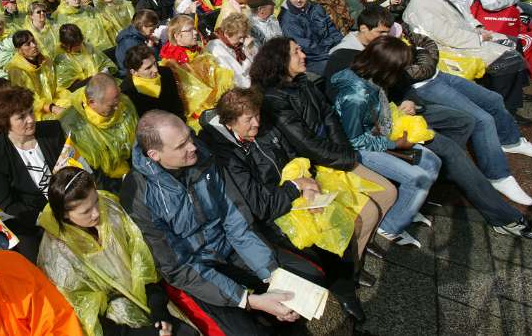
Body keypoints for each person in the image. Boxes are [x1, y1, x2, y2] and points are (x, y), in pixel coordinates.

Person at [331, 36, 532, 245]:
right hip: (379, 138)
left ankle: (450, 178)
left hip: (393, 123)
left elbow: (404, 89)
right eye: (398, 70)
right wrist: (396, 144)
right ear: (386, 68)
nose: (402, 74)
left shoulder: (377, 75)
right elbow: (356, 138)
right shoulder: (356, 93)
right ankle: (504, 217)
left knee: (464, 122)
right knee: (447, 152)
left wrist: (409, 102)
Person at [121, 110, 304, 334]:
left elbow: (234, 218)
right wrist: (249, 300)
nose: (192, 147)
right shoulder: (140, 196)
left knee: (299, 287)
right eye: (181, 146)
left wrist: (271, 274)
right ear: (154, 155)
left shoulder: (203, 156)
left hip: (230, 247)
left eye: (189, 136)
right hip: (197, 270)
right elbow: (177, 267)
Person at [199, 89, 367, 321]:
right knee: (312, 258)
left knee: (338, 223)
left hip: (292, 198)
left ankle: (345, 290)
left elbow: (296, 158)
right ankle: (329, 299)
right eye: (248, 120)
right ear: (229, 123)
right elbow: (259, 205)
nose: (257, 123)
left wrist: (309, 186)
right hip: (268, 219)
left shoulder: (264, 127)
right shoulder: (224, 154)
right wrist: (296, 187)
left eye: (257, 115)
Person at [249, 37, 398, 262]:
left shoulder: (302, 81)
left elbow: (328, 115)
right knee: (367, 212)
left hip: (334, 154)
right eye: (296, 52)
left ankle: (365, 241)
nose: (304, 54)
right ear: (280, 61)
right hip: (313, 163)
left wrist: (343, 149)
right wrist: (345, 157)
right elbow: (306, 144)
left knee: (388, 192)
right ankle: (351, 265)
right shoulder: (273, 98)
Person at [38, 167, 195, 336]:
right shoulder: (56, 253)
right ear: (65, 215)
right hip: (116, 327)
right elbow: (84, 314)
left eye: (96, 200)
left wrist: (158, 311)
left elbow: (143, 262)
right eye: (85, 211)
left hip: (152, 300)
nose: (96, 212)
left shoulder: (110, 208)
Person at [406, 0, 531, 116]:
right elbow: (444, 35)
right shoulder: (421, 5)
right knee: (506, 60)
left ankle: (516, 94)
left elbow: (463, 14)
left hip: (468, 35)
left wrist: (478, 27)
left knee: (515, 42)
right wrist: (477, 38)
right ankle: (504, 108)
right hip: (453, 48)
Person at [0, 86, 66, 262]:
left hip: (66, 205)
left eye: (30, 112)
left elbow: (72, 169)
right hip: (30, 219)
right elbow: (6, 201)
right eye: (21, 117)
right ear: (6, 122)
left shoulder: (52, 131)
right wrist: (41, 219)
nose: (30, 120)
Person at [60, 73, 137, 193]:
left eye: (118, 101)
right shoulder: (72, 127)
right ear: (92, 102)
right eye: (111, 106)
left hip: (134, 167)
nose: (117, 108)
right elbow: (85, 175)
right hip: (104, 184)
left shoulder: (123, 103)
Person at [278, 0, 343, 75]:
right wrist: (330, 47)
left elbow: (332, 29)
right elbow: (307, 47)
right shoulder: (287, 19)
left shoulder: (316, 8)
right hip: (311, 59)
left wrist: (341, 44)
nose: (298, 0)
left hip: (330, 49)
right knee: (338, 68)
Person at [8, 30, 70, 120]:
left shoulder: (46, 61)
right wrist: (52, 108)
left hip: (53, 102)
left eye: (33, 41)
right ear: (19, 50)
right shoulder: (16, 70)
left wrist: (68, 98)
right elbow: (27, 100)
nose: (33, 45)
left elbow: (57, 86)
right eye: (27, 44)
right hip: (34, 112)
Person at [120, 44, 184, 120]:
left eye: (155, 63)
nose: (155, 70)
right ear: (134, 72)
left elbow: (176, 102)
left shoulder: (166, 72)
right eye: (148, 68)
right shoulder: (127, 91)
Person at [54, 23, 116, 93]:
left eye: (80, 43)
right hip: (81, 93)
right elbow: (69, 87)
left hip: (102, 83)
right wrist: (91, 80)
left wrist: (105, 71)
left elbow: (105, 62)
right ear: (65, 45)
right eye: (76, 45)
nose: (80, 46)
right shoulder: (61, 59)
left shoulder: (88, 47)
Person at [205, 13, 257, 88]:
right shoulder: (216, 48)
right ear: (227, 33)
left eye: (244, 36)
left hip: (249, 83)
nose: (242, 40)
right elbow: (237, 78)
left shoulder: (237, 44)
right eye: (240, 37)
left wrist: (250, 48)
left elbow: (258, 65)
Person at [115, 9, 160, 77]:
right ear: (143, 27)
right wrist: (151, 47)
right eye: (151, 29)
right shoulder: (131, 42)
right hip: (132, 76)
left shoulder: (137, 35)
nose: (153, 32)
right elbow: (149, 62)